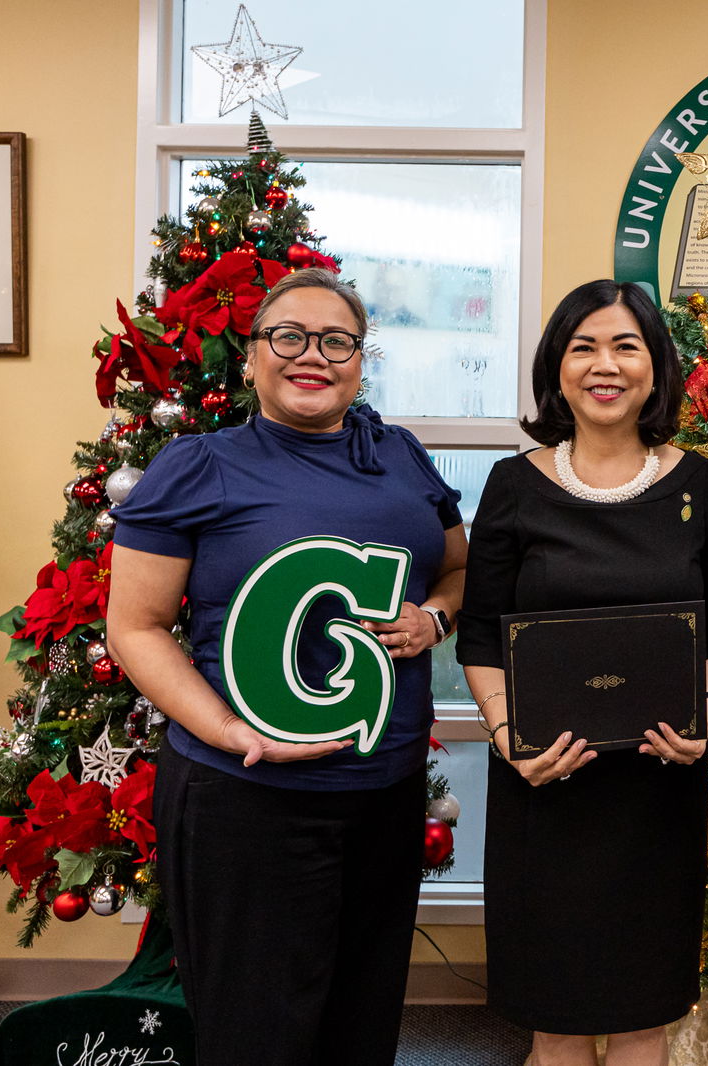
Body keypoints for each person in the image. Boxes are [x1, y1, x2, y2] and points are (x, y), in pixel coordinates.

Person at [106, 267, 468, 1066]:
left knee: (363, 1021)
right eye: (289, 336)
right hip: (247, 798)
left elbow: (457, 571)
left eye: (337, 340)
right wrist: (233, 730)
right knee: (255, 1033)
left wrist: (433, 616)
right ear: (251, 356)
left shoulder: (399, 456)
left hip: (385, 793)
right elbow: (135, 626)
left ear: (360, 360)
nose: (314, 355)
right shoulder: (198, 464)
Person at [456, 279, 708, 1066]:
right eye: (583, 347)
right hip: (544, 788)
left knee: (642, 1016)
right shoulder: (514, 486)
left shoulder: (696, 486)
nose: (604, 365)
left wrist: (705, 719)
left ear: (655, 367)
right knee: (556, 1021)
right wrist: (510, 736)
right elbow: (480, 636)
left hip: (656, 788)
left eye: (625, 345)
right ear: (557, 367)